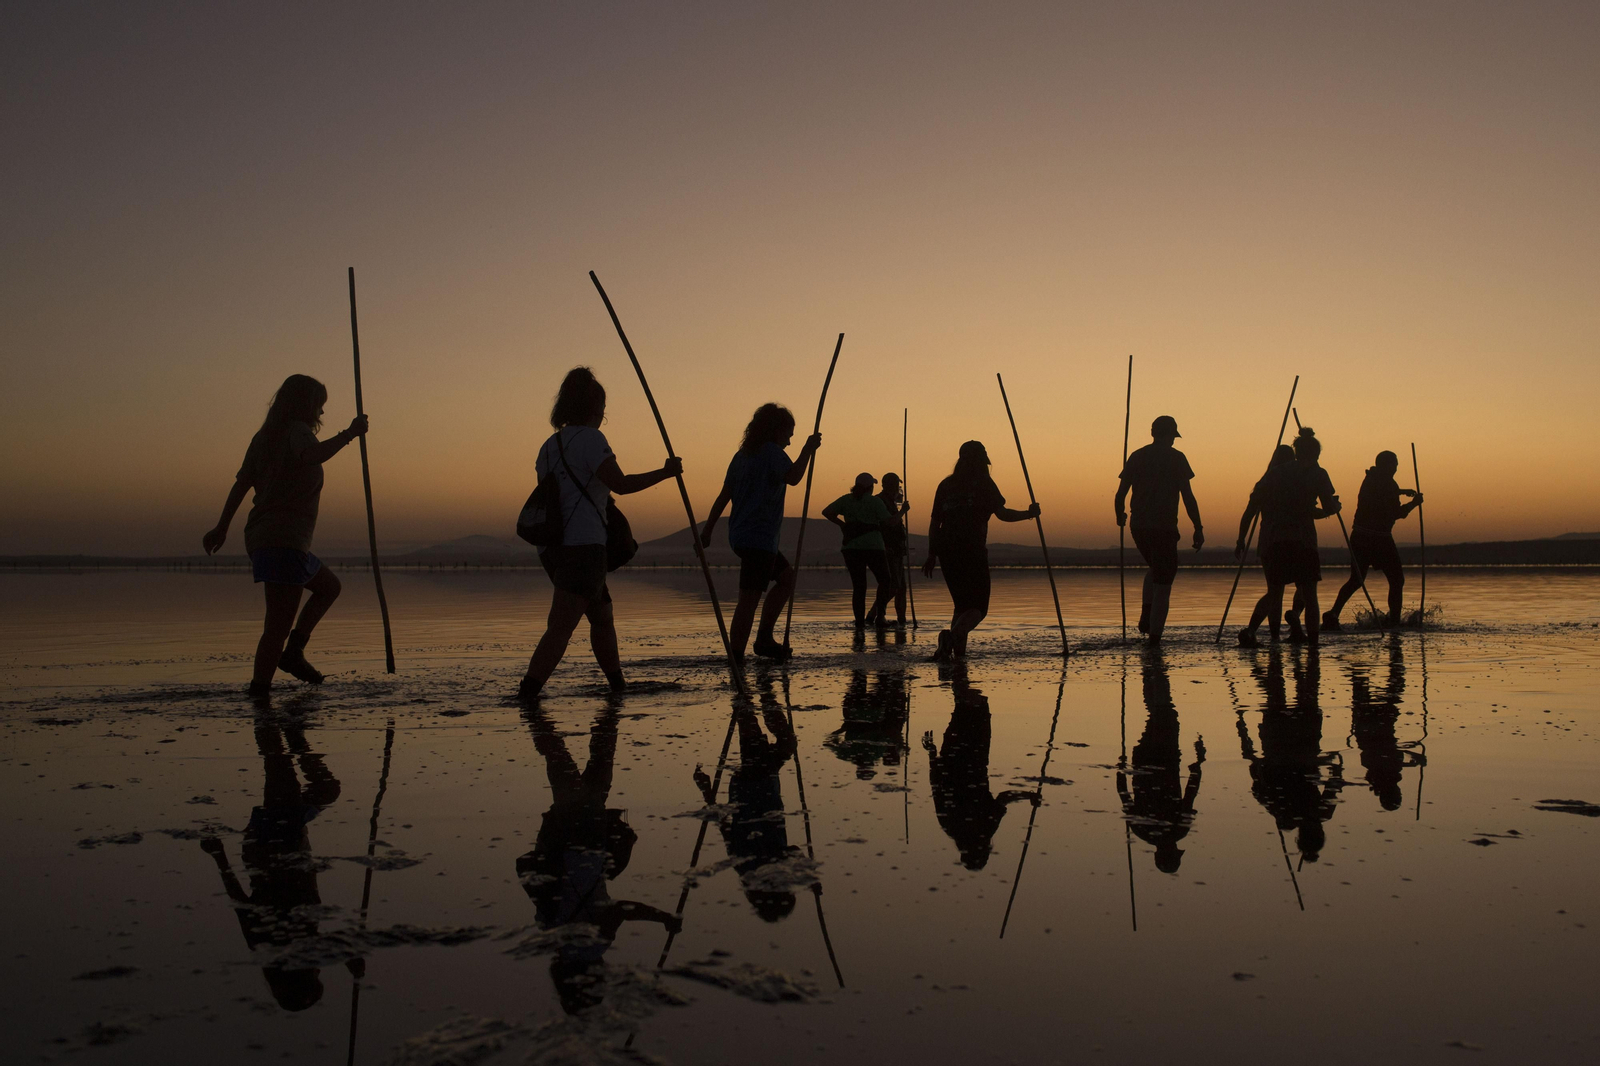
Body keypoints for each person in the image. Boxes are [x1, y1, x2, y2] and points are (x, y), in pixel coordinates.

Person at [519, 368, 683, 700]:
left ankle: (618, 688)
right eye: (602, 408)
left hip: (552, 550)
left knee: (602, 616)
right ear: (594, 408)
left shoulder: (548, 447)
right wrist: (665, 474)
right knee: (561, 626)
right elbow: (619, 484)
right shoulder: (592, 440)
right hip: (583, 547)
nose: (603, 416)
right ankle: (527, 694)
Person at [202, 374, 368, 696]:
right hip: (283, 541)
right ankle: (260, 693)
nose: (321, 414)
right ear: (305, 404)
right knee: (276, 626)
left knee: (329, 587)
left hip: (271, 539)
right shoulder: (297, 432)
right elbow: (312, 456)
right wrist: (351, 434)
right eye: (319, 406)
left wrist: (223, 526)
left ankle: (293, 653)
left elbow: (241, 484)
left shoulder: (263, 437)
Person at [518, 703, 679, 1015]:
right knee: (562, 763)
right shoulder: (554, 936)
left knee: (597, 766)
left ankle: (605, 712)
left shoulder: (595, 942)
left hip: (589, 839)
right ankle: (538, 716)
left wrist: (664, 919)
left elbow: (622, 910)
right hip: (562, 833)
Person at [200, 715, 343, 1011]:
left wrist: (218, 854)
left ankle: (267, 718)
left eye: (315, 977)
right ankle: (292, 734)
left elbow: (239, 899)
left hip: (272, 844)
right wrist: (353, 958)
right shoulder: (307, 945)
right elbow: (340, 943)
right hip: (287, 839)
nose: (318, 970)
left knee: (278, 766)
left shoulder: (268, 944)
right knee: (326, 789)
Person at [700, 404, 821, 661]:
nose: (789, 441)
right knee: (749, 598)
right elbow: (793, 476)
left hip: (743, 536)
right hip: (759, 537)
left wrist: (708, 530)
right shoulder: (770, 452)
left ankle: (764, 638)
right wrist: (807, 451)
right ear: (776, 431)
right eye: (788, 434)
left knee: (787, 579)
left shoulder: (742, 455)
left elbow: (724, 496)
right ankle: (736, 655)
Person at [921, 441, 1039, 662]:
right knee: (978, 608)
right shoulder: (984, 483)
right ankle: (953, 637)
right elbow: (1002, 514)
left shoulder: (946, 485)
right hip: (971, 549)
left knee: (961, 605)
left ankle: (958, 657)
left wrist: (932, 554)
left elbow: (934, 524)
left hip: (947, 552)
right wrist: (1029, 513)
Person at [923, 665, 1037, 869]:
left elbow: (936, 785)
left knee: (972, 702)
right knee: (968, 703)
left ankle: (955, 658)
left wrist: (1028, 795)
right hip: (960, 754)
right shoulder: (962, 826)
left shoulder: (967, 826)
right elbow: (936, 784)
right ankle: (955, 659)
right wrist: (1027, 795)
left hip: (971, 754)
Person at [1115, 651, 1205, 874]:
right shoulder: (1140, 831)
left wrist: (1197, 767)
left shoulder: (1177, 831)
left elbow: (1190, 794)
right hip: (1142, 763)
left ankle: (1155, 670)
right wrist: (1121, 771)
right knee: (1157, 715)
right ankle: (1151, 672)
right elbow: (1124, 796)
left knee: (1165, 714)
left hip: (1165, 759)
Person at [1115, 416, 1203, 642]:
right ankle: (1155, 639)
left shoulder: (1137, 456)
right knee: (1164, 582)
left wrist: (1120, 515)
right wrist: (1198, 526)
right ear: (1169, 436)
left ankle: (1147, 610)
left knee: (1156, 568)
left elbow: (1120, 495)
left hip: (1139, 527)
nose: (1173, 441)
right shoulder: (1177, 459)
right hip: (1163, 527)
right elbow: (1188, 497)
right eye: (1173, 437)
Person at [1323, 451, 1423, 630]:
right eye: (1394, 464)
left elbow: (1383, 492)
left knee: (1356, 580)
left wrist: (1401, 491)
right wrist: (1414, 503)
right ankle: (1394, 622)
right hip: (1379, 540)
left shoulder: (1371, 479)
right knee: (1396, 580)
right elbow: (1396, 513)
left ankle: (1333, 613)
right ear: (1386, 465)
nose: (1396, 468)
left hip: (1360, 537)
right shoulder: (1388, 483)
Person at [1271, 427, 1342, 644]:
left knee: (1276, 592)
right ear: (1316, 454)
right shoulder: (1319, 474)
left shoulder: (1280, 471)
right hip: (1304, 539)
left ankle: (1277, 638)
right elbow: (1326, 506)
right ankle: (1313, 643)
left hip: (1278, 538)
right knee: (1310, 593)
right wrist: (1335, 507)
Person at [1233, 445, 1296, 646]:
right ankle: (1252, 630)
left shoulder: (1263, 483)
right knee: (1284, 590)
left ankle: (1275, 636)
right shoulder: (1294, 483)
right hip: (1288, 541)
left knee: (1275, 590)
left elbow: (1248, 515)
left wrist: (1241, 540)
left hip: (1268, 543)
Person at [822, 472, 896, 628]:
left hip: (851, 549)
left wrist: (843, 525)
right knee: (885, 580)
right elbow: (889, 522)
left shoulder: (846, 500)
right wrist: (903, 511)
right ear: (871, 487)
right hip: (874, 548)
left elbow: (827, 512)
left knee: (859, 586)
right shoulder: (874, 502)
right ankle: (880, 617)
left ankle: (859, 622)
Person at [874, 472, 912, 628]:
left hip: (896, 550)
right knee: (893, 586)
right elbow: (889, 523)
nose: (899, 489)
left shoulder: (890, 501)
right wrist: (903, 511)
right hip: (888, 550)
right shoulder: (880, 501)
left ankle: (901, 619)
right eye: (897, 485)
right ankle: (875, 614)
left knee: (901, 587)